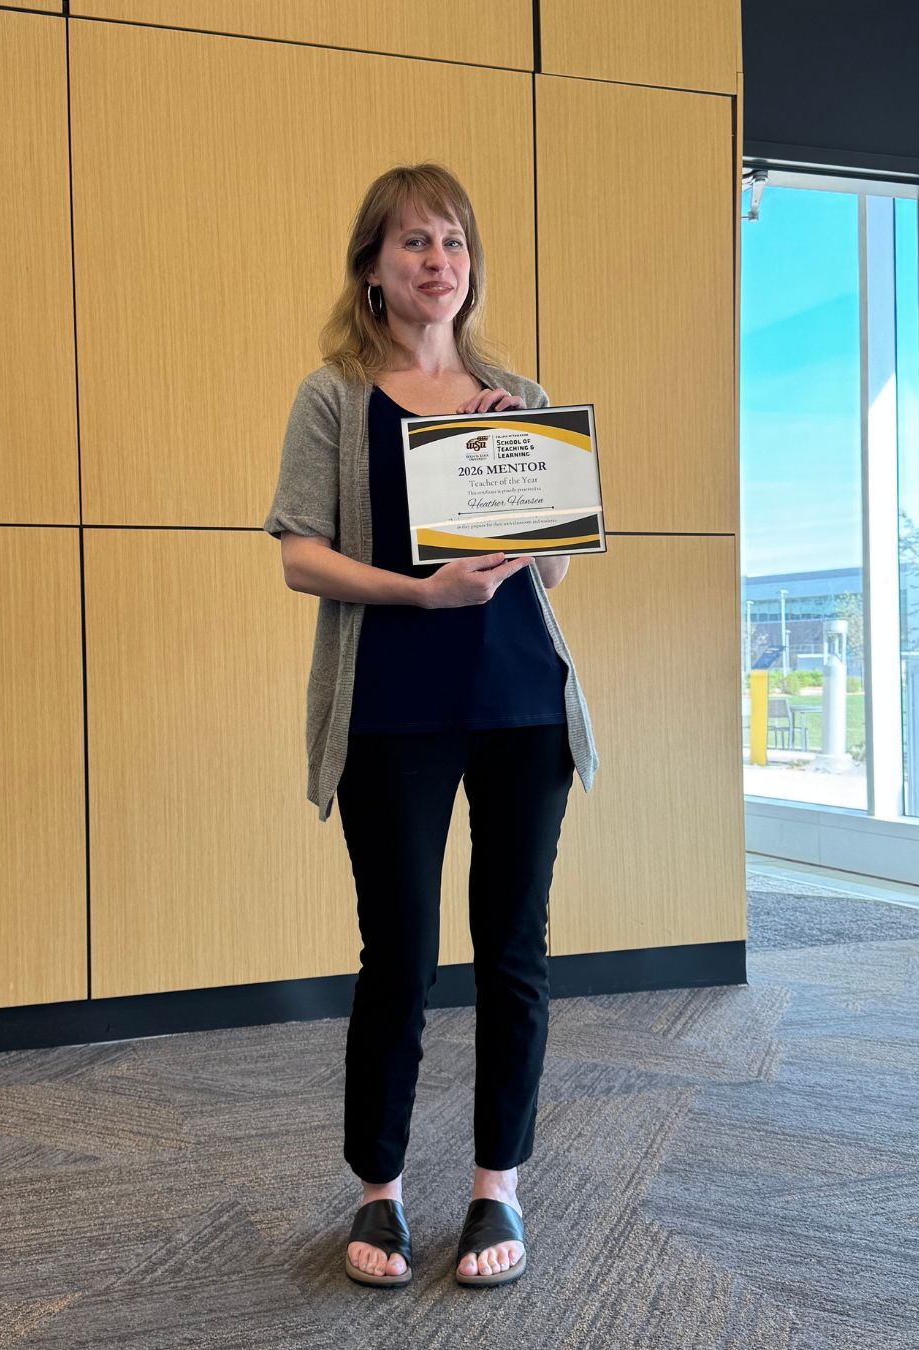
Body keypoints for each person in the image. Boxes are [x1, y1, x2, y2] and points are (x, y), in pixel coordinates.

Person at [263, 162, 598, 1289]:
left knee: (513, 954)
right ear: (372, 267)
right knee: (398, 958)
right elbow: (300, 553)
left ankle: (497, 1191)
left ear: (471, 267)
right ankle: (382, 1193)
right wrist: (423, 593)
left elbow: (552, 564)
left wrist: (526, 456)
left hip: (520, 706)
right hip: (394, 710)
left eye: (452, 242)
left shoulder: (514, 389)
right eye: (412, 243)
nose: (435, 262)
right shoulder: (333, 395)